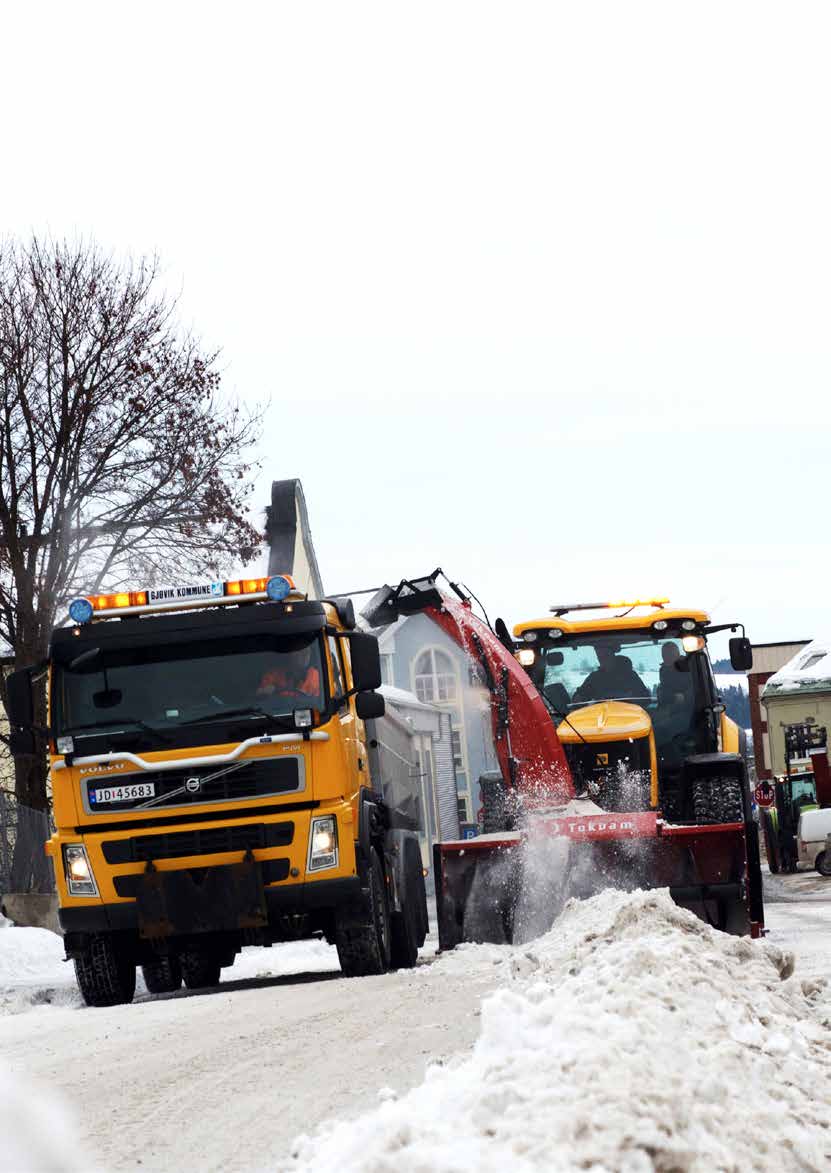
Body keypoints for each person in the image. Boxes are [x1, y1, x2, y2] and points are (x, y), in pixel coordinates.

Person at [573, 643, 650, 704]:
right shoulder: (594, 678)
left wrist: (626, 698)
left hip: (628, 717)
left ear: (613, 656)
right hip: (601, 718)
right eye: (599, 657)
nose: (602, 660)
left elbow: (645, 699)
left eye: (605, 656)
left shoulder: (630, 676)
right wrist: (578, 698)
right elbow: (579, 698)